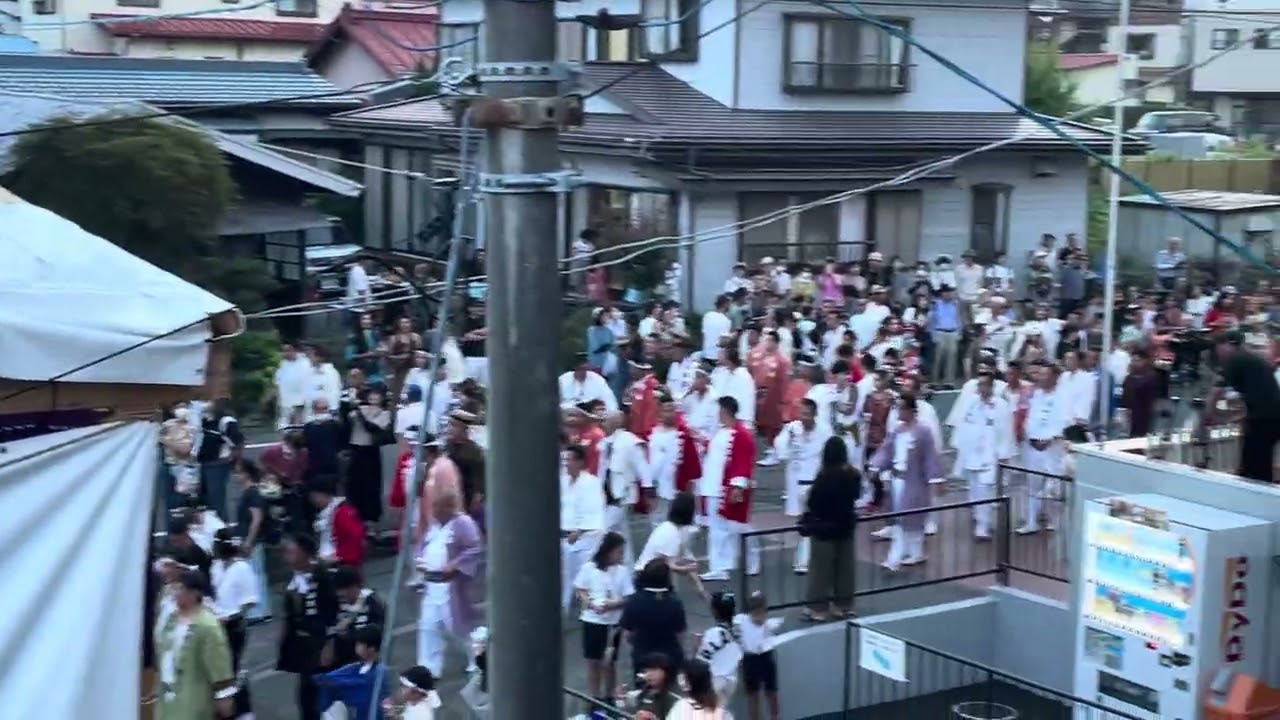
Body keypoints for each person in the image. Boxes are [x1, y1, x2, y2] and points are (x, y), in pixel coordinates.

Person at [416, 491, 485, 678]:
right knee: (428, 627)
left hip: (451, 586)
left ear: (448, 507)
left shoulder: (463, 523)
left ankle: (478, 660)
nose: (435, 510)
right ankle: (428, 669)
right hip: (431, 585)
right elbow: (422, 546)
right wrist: (420, 560)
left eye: (438, 506)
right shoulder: (432, 525)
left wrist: (455, 564)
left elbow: (475, 548)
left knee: (459, 629)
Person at [869, 394, 942, 572]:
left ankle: (894, 559)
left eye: (901, 408)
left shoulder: (923, 431)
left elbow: (930, 458)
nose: (898, 412)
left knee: (906, 520)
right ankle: (914, 552)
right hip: (897, 480)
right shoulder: (897, 431)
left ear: (911, 410)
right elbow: (886, 451)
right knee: (905, 519)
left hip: (914, 481)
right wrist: (875, 466)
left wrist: (936, 479)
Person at [154, 570, 236, 720]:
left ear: (194, 593)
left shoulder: (207, 625)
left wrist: (224, 697)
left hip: (194, 695)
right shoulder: (171, 619)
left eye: (180, 588)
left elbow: (219, 665)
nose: (175, 593)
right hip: (168, 692)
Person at [278, 534, 340, 720]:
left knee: (322, 694)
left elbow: (333, 614)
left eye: (292, 553)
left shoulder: (324, 578)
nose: (287, 558)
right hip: (303, 646)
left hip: (320, 644)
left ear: (305, 554)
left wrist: (330, 643)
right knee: (307, 698)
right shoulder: (294, 581)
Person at [699, 396, 761, 582]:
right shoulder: (721, 431)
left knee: (736, 527)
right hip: (712, 486)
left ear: (725, 411)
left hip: (724, 487)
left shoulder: (740, 434)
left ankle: (747, 560)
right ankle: (721, 566)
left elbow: (743, 462)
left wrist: (737, 486)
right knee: (719, 529)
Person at [950, 370, 1017, 539]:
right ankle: (979, 517)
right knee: (973, 489)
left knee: (985, 489)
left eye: (984, 384)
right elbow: (962, 425)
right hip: (971, 454)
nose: (980, 388)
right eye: (979, 384)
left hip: (990, 454)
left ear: (992, 386)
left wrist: (1004, 454)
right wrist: (960, 446)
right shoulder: (971, 402)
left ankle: (983, 526)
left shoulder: (1001, 405)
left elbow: (1006, 431)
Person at [799, 437, 858, 621]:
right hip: (845, 528)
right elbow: (856, 496)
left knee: (820, 570)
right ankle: (842, 605)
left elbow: (812, 501)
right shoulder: (852, 475)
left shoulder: (823, 477)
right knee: (845, 569)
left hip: (823, 530)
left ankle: (818, 608)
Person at [1210, 331, 1280, 483]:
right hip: (1270, 417)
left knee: (1256, 466)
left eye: (1218, 349)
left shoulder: (1235, 359)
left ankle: (1258, 497)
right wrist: (1239, 416)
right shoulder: (1252, 359)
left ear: (1228, 345)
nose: (1218, 354)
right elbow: (1254, 394)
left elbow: (1217, 391)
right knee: (1256, 460)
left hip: (1263, 419)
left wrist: (1210, 416)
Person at [574, 531, 635, 701]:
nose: (621, 555)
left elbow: (629, 597)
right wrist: (590, 603)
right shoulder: (589, 568)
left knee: (609, 663)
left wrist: (612, 605)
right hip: (592, 621)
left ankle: (609, 696)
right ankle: (594, 696)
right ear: (608, 551)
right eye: (619, 551)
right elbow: (580, 589)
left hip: (612, 624)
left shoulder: (622, 571)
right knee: (593, 661)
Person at [774, 398, 831, 574]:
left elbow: (831, 453)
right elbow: (780, 448)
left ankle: (805, 560)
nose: (803, 417)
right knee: (805, 522)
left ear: (814, 414)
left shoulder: (825, 431)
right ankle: (807, 557)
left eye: (807, 413)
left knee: (812, 520)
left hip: (817, 483)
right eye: (801, 413)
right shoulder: (792, 428)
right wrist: (788, 445)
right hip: (796, 483)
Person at [210, 528, 258, 718]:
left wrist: (231, 616)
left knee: (234, 669)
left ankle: (243, 710)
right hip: (216, 623)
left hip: (233, 624)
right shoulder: (216, 566)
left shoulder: (242, 568)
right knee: (220, 670)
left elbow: (249, 601)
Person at [1018, 362, 1069, 535]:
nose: (1041, 377)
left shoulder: (1063, 396)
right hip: (1033, 445)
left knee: (1055, 486)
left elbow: (1065, 422)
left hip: (1052, 448)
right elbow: (1030, 418)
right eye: (1040, 374)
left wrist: (1049, 439)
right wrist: (1030, 437)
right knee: (1033, 485)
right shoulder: (1036, 395)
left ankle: (1055, 521)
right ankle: (1031, 521)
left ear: (1055, 377)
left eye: (1046, 374)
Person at [619, 559, 687, 684]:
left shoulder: (634, 601)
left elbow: (627, 635)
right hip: (670, 657)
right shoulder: (675, 602)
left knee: (644, 692)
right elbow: (680, 635)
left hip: (643, 656)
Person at [561, 444, 607, 613]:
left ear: (580, 462)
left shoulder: (591, 483)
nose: (567, 463)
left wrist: (579, 530)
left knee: (586, 576)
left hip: (587, 538)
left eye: (570, 459)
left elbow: (594, 510)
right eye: (565, 460)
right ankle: (563, 609)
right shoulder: (563, 482)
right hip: (565, 536)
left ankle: (593, 609)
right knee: (566, 577)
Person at [647, 392, 704, 526]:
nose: (669, 414)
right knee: (657, 525)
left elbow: (692, 468)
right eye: (666, 410)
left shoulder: (683, 436)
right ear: (659, 412)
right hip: (657, 490)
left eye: (672, 410)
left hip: (677, 491)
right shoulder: (651, 434)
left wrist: (688, 496)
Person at [346, 387, 392, 527]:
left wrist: (360, 413)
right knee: (355, 483)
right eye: (371, 396)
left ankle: (371, 516)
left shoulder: (384, 414)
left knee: (371, 484)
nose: (373, 399)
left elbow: (371, 428)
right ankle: (355, 512)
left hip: (370, 451)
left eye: (377, 396)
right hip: (356, 449)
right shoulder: (358, 411)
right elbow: (347, 423)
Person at [736, 592, 783, 720]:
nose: (758, 614)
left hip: (766, 658)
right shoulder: (740, 621)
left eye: (761, 610)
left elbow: (776, 624)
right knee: (753, 695)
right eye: (755, 610)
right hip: (750, 660)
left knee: (771, 693)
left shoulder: (772, 624)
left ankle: (775, 717)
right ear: (750, 611)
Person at [332, 566, 388, 667]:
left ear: (354, 587)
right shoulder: (337, 603)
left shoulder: (372, 602)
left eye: (344, 591)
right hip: (342, 661)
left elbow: (376, 630)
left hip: (366, 660)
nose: (340, 595)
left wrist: (347, 634)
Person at [310, 475, 367, 572]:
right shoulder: (326, 513)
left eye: (315, 496)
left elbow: (355, 537)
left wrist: (339, 557)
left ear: (325, 494)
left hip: (342, 565)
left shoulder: (341, 513)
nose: (313, 500)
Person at [695, 591, 744, 705]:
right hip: (732, 679)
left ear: (714, 611)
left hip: (715, 681)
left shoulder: (712, 634)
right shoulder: (739, 628)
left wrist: (697, 645)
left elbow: (701, 660)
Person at [616, 652, 678, 719]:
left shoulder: (673, 701)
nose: (649, 674)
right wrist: (619, 700)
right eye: (647, 671)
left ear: (666, 673)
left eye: (654, 670)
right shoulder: (638, 695)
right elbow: (625, 714)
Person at [668, 659, 733, 720]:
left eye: (683, 679)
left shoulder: (682, 706)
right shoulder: (722, 710)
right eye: (680, 678)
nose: (681, 682)